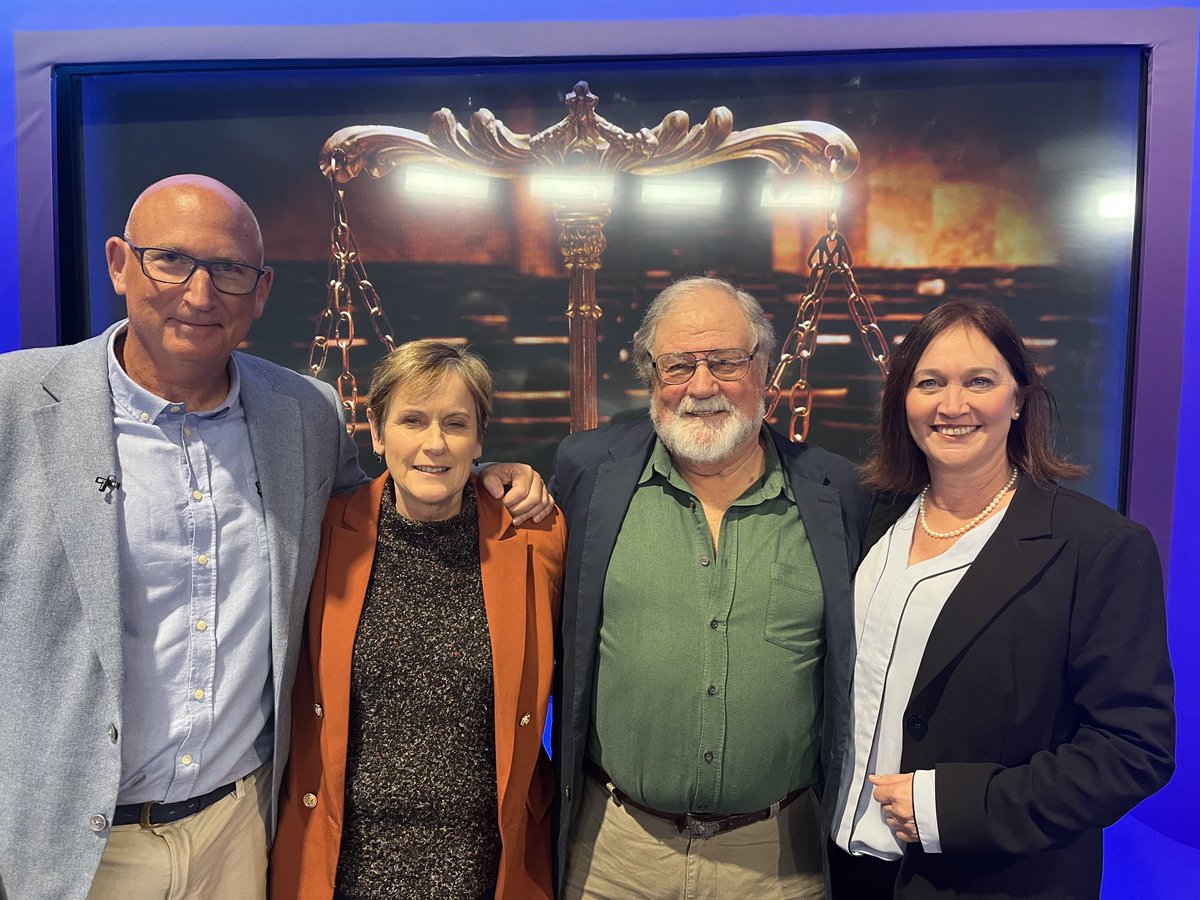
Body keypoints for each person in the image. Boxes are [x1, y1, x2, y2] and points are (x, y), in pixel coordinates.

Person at [0, 175, 551, 900]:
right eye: (171, 259)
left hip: (239, 833)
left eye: (228, 270)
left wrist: (486, 476)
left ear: (259, 291)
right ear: (117, 263)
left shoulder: (303, 413)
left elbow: (378, 508)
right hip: (74, 842)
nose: (200, 294)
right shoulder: (15, 405)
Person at [827, 301, 1175, 898]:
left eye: (979, 382)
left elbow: (1133, 749)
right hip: (841, 869)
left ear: (1018, 400)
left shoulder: (1097, 547)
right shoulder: (870, 520)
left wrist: (954, 807)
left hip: (990, 876)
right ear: (903, 403)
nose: (952, 406)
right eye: (929, 383)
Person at [552, 276, 871, 898]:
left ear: (765, 371)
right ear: (651, 373)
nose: (701, 387)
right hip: (616, 855)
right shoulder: (585, 472)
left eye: (726, 362)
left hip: (782, 861)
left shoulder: (841, 494)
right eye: (678, 365)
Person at [270, 340, 565, 900]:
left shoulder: (535, 537)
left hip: (487, 867)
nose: (435, 443)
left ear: (480, 438)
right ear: (377, 433)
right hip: (346, 867)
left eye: (456, 423)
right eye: (412, 420)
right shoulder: (324, 532)